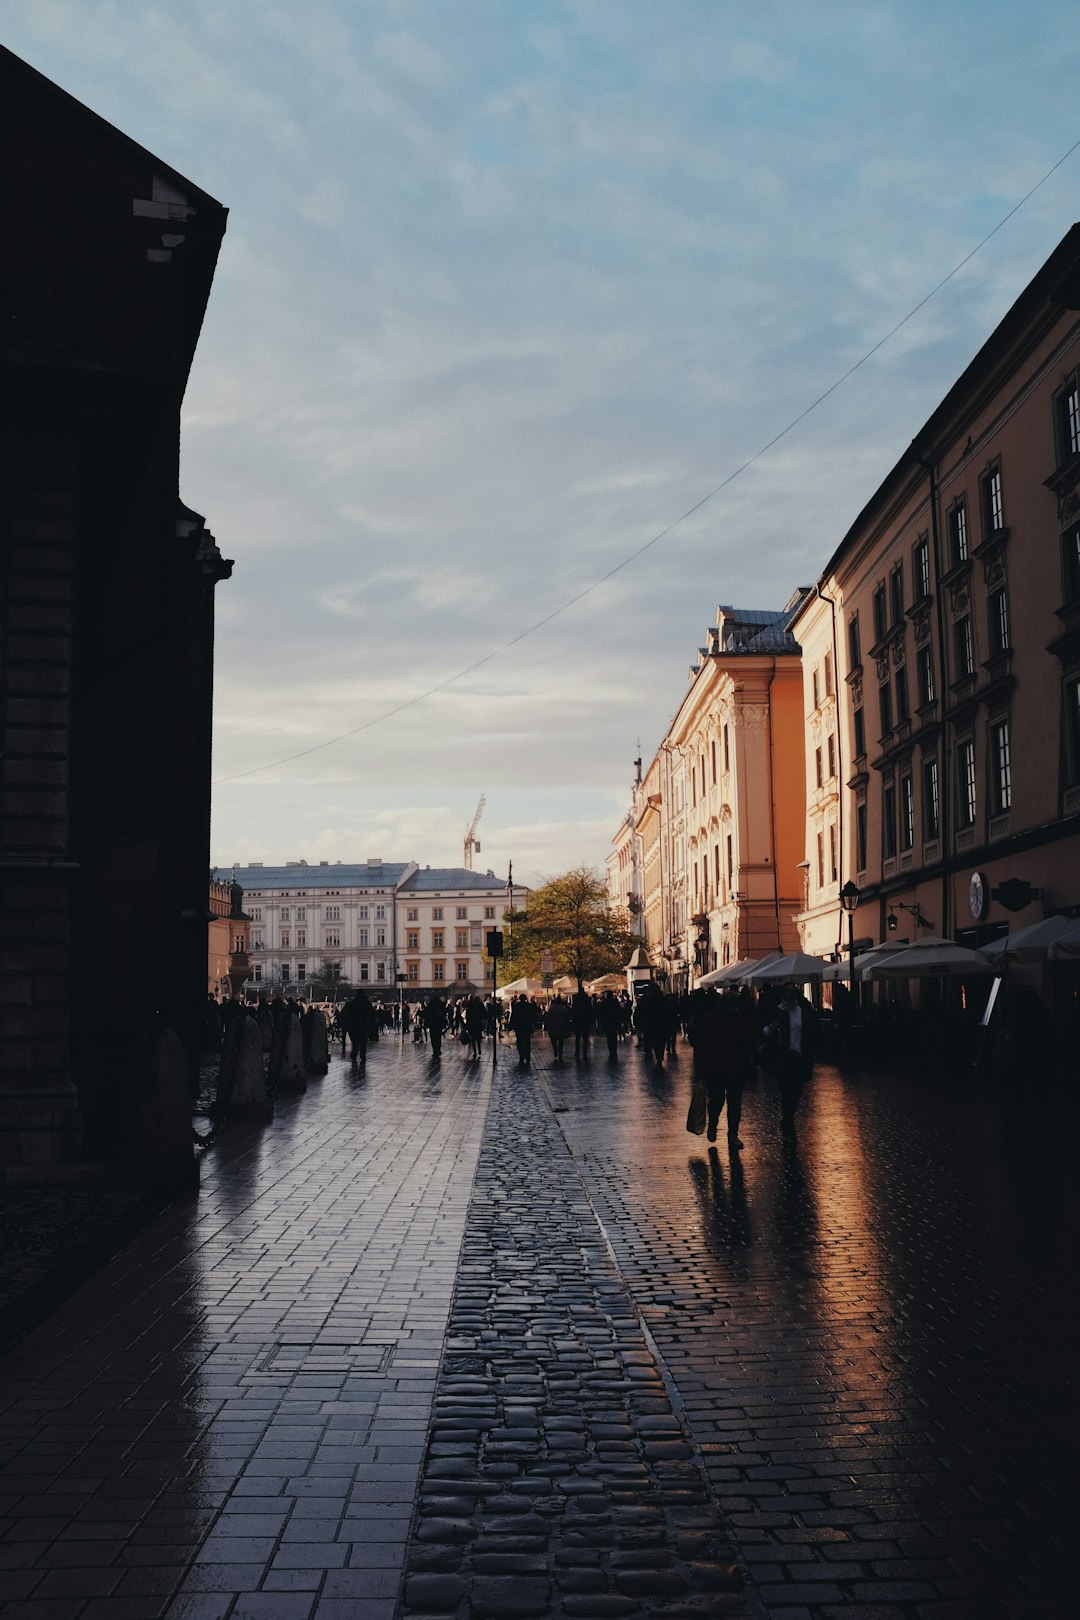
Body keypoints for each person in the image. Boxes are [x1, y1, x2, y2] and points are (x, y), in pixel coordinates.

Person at [690, 990, 751, 1147]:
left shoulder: (740, 1020)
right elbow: (702, 1046)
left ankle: (733, 1135)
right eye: (730, 1003)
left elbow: (748, 1040)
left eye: (735, 1004)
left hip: (736, 1069)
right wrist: (701, 1069)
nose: (733, 1007)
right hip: (715, 1069)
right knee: (716, 1101)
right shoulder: (711, 1021)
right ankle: (713, 1125)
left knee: (735, 1104)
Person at [760, 982, 819, 1137]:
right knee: (787, 1092)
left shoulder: (803, 1012)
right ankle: (788, 1122)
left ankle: (787, 1118)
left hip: (800, 1058)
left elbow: (811, 1032)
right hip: (783, 1059)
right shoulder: (776, 1012)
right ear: (783, 994)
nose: (790, 995)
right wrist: (773, 1026)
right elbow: (765, 1033)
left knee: (797, 1092)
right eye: (787, 992)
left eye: (793, 991)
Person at [340, 989, 376, 1066]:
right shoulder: (366, 1003)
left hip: (354, 1025)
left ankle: (354, 1054)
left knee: (355, 1041)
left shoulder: (352, 1003)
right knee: (363, 1041)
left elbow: (348, 1015)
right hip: (363, 1024)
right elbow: (372, 1014)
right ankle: (362, 1055)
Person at [508, 994, 538, 1066]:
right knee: (527, 1041)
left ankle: (521, 1056)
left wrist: (511, 1025)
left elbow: (513, 1016)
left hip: (519, 1026)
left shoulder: (516, 1006)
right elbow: (532, 1015)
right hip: (527, 1026)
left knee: (520, 1041)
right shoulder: (529, 1006)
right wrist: (534, 1024)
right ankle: (527, 1057)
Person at [595, 990, 623, 1062]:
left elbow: (600, 1013)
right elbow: (619, 1012)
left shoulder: (604, 1003)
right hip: (614, 1022)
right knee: (613, 1036)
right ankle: (614, 1051)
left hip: (607, 1022)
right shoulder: (615, 1002)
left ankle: (611, 1051)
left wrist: (601, 1021)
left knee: (609, 1037)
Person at [545, 993, 571, 1063]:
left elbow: (548, 1017)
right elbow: (567, 1017)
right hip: (562, 1026)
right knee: (561, 1041)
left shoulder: (552, 1008)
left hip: (553, 1026)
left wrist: (546, 1025)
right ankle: (560, 1054)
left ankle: (555, 1049)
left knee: (553, 1039)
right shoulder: (563, 1008)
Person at [571, 988, 593, 1058]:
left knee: (577, 1037)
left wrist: (573, 1019)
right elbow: (590, 1010)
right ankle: (584, 1053)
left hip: (578, 1020)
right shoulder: (587, 999)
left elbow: (573, 1010)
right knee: (585, 1037)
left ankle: (577, 1052)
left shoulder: (576, 999)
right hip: (586, 1020)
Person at [464, 993, 486, 1059]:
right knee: (478, 1038)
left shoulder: (470, 1006)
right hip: (478, 1024)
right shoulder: (481, 1005)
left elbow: (467, 1015)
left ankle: (475, 1052)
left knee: (473, 1039)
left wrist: (466, 1024)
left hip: (471, 1024)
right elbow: (484, 1014)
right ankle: (479, 1050)